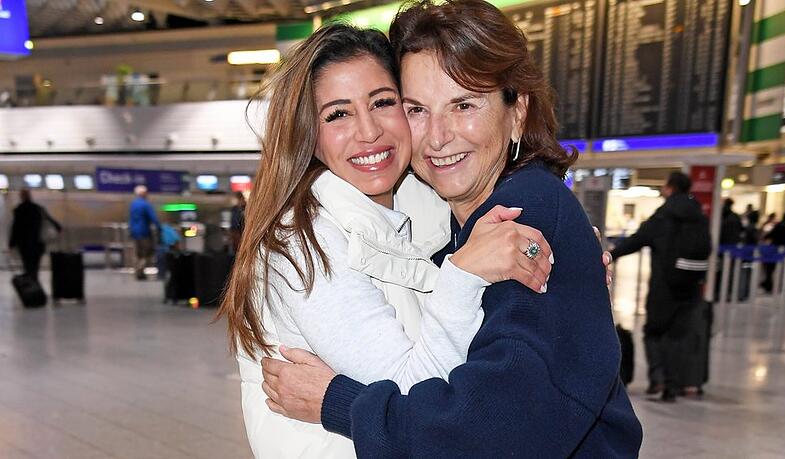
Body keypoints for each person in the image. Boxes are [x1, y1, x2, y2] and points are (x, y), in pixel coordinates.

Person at [260, 2, 642, 456]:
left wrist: (335, 401)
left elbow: (492, 434)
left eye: (463, 105)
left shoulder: (522, 216)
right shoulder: (453, 226)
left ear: (517, 110)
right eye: (417, 109)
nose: (438, 137)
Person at [218, 23, 561, 459]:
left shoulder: (428, 211)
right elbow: (415, 392)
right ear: (309, 134)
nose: (369, 132)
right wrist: (463, 274)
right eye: (337, 114)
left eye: (383, 102)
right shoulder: (304, 245)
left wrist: (560, 260)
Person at [609, 171, 710, 402]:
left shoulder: (665, 214)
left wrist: (609, 255)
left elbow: (638, 240)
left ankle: (659, 379)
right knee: (677, 336)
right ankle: (674, 384)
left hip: (664, 285)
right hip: (691, 286)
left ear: (670, 188)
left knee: (653, 332)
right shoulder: (698, 215)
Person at [8, 189, 62, 282]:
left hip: (24, 245)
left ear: (21, 197)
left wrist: (12, 243)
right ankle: (35, 283)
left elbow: (16, 228)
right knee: (35, 267)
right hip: (38, 243)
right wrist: (58, 228)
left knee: (27, 266)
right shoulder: (38, 208)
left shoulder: (19, 209)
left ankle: (31, 287)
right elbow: (52, 221)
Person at [129, 185, 160, 280]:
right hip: (144, 232)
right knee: (147, 252)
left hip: (134, 232)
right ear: (143, 193)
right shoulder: (146, 204)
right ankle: (140, 270)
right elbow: (153, 218)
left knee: (137, 253)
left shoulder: (133, 204)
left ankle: (138, 271)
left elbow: (131, 219)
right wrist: (159, 228)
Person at [761, 212, 785, 293]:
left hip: (774, 249)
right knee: (784, 269)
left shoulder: (779, 225)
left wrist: (764, 238)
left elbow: (771, 234)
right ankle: (781, 286)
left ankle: (768, 285)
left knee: (770, 268)